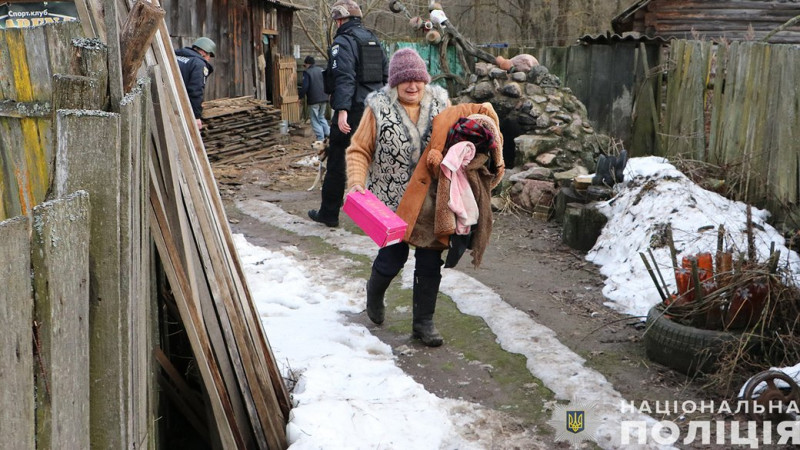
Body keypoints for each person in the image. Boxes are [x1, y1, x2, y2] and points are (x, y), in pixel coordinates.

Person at [345, 48, 452, 346]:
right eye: (405, 80)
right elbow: (359, 150)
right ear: (394, 82)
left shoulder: (442, 104)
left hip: (431, 202)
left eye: (418, 80)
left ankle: (423, 323)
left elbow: (456, 142)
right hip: (392, 202)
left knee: (430, 263)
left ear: (425, 80)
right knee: (393, 258)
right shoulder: (378, 108)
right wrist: (356, 182)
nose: (413, 86)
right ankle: (374, 292)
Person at [307, 0, 388, 228]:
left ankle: (329, 214)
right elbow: (385, 76)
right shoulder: (373, 40)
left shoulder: (343, 42)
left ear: (340, 20)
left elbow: (344, 77)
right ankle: (381, 217)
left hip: (353, 111)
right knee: (374, 162)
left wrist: (341, 110)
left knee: (338, 162)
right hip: (376, 110)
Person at [176, 37, 216, 130]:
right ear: (203, 52)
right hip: (180, 109)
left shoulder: (175, 55)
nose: (209, 59)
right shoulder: (198, 64)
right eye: (209, 55)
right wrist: (196, 116)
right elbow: (195, 91)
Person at [299, 55, 330, 142]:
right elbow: (328, 82)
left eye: (304, 65)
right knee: (321, 117)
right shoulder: (321, 70)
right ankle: (329, 135)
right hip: (324, 97)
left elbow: (305, 87)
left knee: (315, 120)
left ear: (307, 64)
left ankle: (320, 139)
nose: (304, 67)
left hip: (314, 99)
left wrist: (299, 97)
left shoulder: (307, 72)